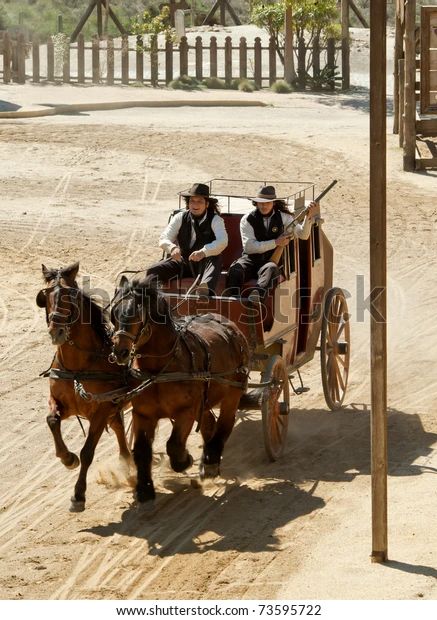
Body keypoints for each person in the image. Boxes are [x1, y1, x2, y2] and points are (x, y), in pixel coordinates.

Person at [225, 185, 317, 301]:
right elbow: (249, 248)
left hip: (269, 262)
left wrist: (308, 216)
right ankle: (231, 301)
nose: (264, 206)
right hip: (250, 260)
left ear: (273, 203)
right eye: (261, 202)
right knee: (235, 269)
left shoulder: (285, 218)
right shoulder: (247, 220)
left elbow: (303, 235)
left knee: (271, 268)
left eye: (267, 202)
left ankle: (256, 298)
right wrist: (275, 242)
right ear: (256, 203)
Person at [146, 183, 228, 298]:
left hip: (205, 262)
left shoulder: (216, 220)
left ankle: (204, 292)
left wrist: (203, 252)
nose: (195, 204)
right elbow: (164, 238)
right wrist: (172, 248)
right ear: (188, 203)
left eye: (199, 201)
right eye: (192, 201)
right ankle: (152, 300)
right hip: (183, 261)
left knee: (216, 258)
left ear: (207, 204)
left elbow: (222, 241)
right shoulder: (180, 217)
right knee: (153, 270)